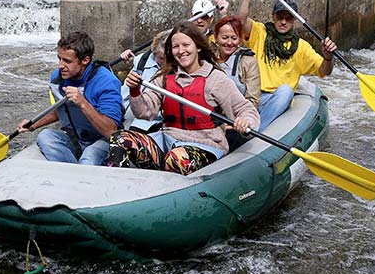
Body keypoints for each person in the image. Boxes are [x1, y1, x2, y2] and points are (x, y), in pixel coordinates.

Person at [107, 21, 260, 176]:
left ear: (198, 46)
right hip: (167, 141)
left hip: (205, 145)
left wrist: (246, 121)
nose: (181, 51)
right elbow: (144, 112)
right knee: (119, 139)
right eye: (176, 47)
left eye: (186, 45)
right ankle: (120, 185)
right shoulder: (164, 77)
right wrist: (135, 91)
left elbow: (245, 109)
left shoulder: (215, 79)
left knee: (176, 159)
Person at [237, 0, 337, 132]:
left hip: (277, 99)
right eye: (280, 17)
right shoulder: (260, 32)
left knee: (285, 91)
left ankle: (256, 132)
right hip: (251, 94)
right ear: (273, 17)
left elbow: (324, 71)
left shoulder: (302, 47)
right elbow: (240, 20)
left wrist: (328, 58)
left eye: (288, 18)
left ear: (294, 21)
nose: (283, 22)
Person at [18, 31, 123, 165]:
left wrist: (83, 103)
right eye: (59, 58)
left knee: (89, 157)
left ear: (85, 60)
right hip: (76, 139)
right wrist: (34, 124)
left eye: (67, 61)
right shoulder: (58, 78)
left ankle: (80, 173)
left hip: (103, 141)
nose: (60, 65)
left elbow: (111, 131)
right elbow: (60, 110)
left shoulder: (107, 82)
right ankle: (72, 171)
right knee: (44, 136)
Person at [213, 15, 261, 151]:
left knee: (233, 138)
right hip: (213, 118)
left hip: (237, 119)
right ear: (216, 37)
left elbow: (253, 99)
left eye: (234, 38)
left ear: (239, 39)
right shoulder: (207, 59)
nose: (229, 43)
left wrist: (240, 121)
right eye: (224, 38)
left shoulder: (248, 61)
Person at [118, 30, 169, 133]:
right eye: (161, 58)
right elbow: (124, 92)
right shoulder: (143, 60)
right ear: (154, 54)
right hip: (125, 116)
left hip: (151, 124)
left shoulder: (177, 71)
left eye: (169, 57)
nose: (166, 62)